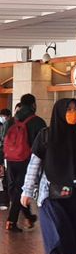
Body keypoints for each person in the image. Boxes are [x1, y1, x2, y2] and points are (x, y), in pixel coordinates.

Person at [20, 99, 76, 254]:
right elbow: (34, 165)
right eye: (68, 109)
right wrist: (27, 191)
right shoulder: (46, 135)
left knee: (75, 239)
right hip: (51, 195)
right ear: (59, 112)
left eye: (75, 109)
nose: (73, 113)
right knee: (58, 236)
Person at [2, 94, 46, 232]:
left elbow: (3, 139)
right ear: (33, 105)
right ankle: (11, 221)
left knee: (15, 189)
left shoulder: (11, 121)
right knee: (20, 190)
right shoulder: (38, 121)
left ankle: (28, 216)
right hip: (27, 160)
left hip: (10, 159)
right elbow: (43, 144)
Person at [0, 108, 12, 211]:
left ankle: (4, 201)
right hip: (5, 156)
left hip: (6, 156)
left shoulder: (7, 125)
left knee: (4, 179)